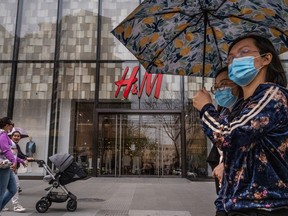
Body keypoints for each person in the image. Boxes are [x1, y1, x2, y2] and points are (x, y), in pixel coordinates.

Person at [193, 34, 288, 215]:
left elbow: (228, 137)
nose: (235, 60)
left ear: (266, 58)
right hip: (234, 205)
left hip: (263, 207)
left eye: (243, 52)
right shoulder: (242, 107)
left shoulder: (272, 95)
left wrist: (205, 108)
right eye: (230, 58)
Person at [206, 66, 242, 195]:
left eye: (224, 83)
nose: (220, 89)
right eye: (216, 86)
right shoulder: (224, 112)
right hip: (226, 193)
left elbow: (232, 140)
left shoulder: (249, 112)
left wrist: (205, 108)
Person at [0, 117, 17, 214]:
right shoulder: (2, 135)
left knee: (13, 189)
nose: (12, 126)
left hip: (7, 166)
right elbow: (6, 150)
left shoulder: (4, 135)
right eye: (11, 124)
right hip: (3, 166)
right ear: (6, 125)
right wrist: (14, 161)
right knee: (1, 192)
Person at [3, 141, 26, 212]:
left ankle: (6, 205)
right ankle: (16, 206)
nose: (17, 137)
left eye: (18, 136)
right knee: (11, 188)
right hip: (7, 169)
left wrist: (22, 161)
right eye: (15, 135)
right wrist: (13, 163)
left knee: (13, 188)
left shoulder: (15, 146)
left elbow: (15, 157)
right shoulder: (6, 143)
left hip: (11, 170)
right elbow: (6, 156)